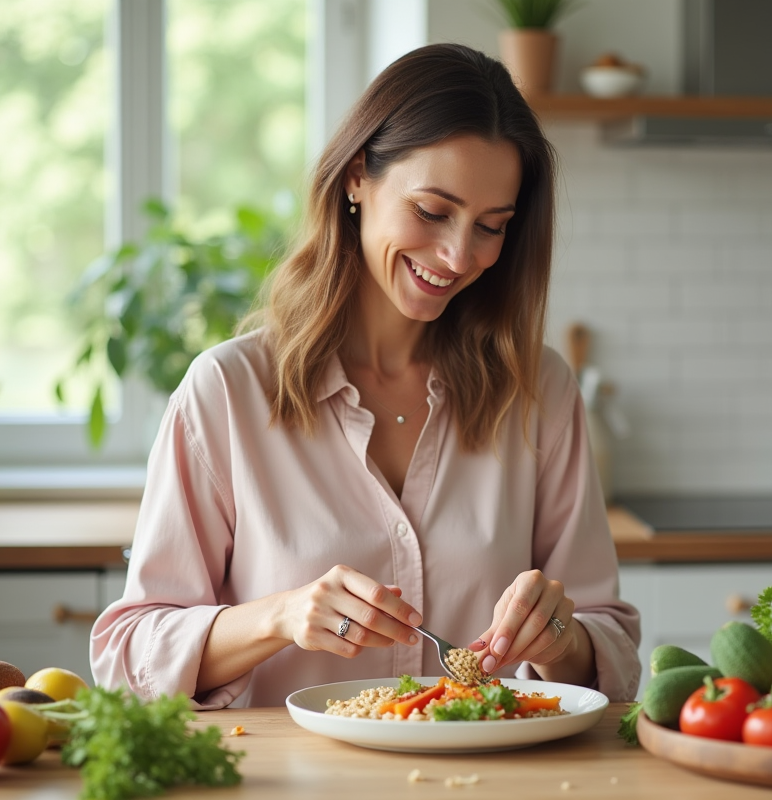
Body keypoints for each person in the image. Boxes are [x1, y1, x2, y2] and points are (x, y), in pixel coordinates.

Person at [90, 43, 641, 708]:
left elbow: (610, 645)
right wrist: (281, 617)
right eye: (433, 211)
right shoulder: (228, 393)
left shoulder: (538, 393)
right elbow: (128, 655)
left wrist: (562, 641)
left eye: (491, 227)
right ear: (358, 176)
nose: (458, 255)